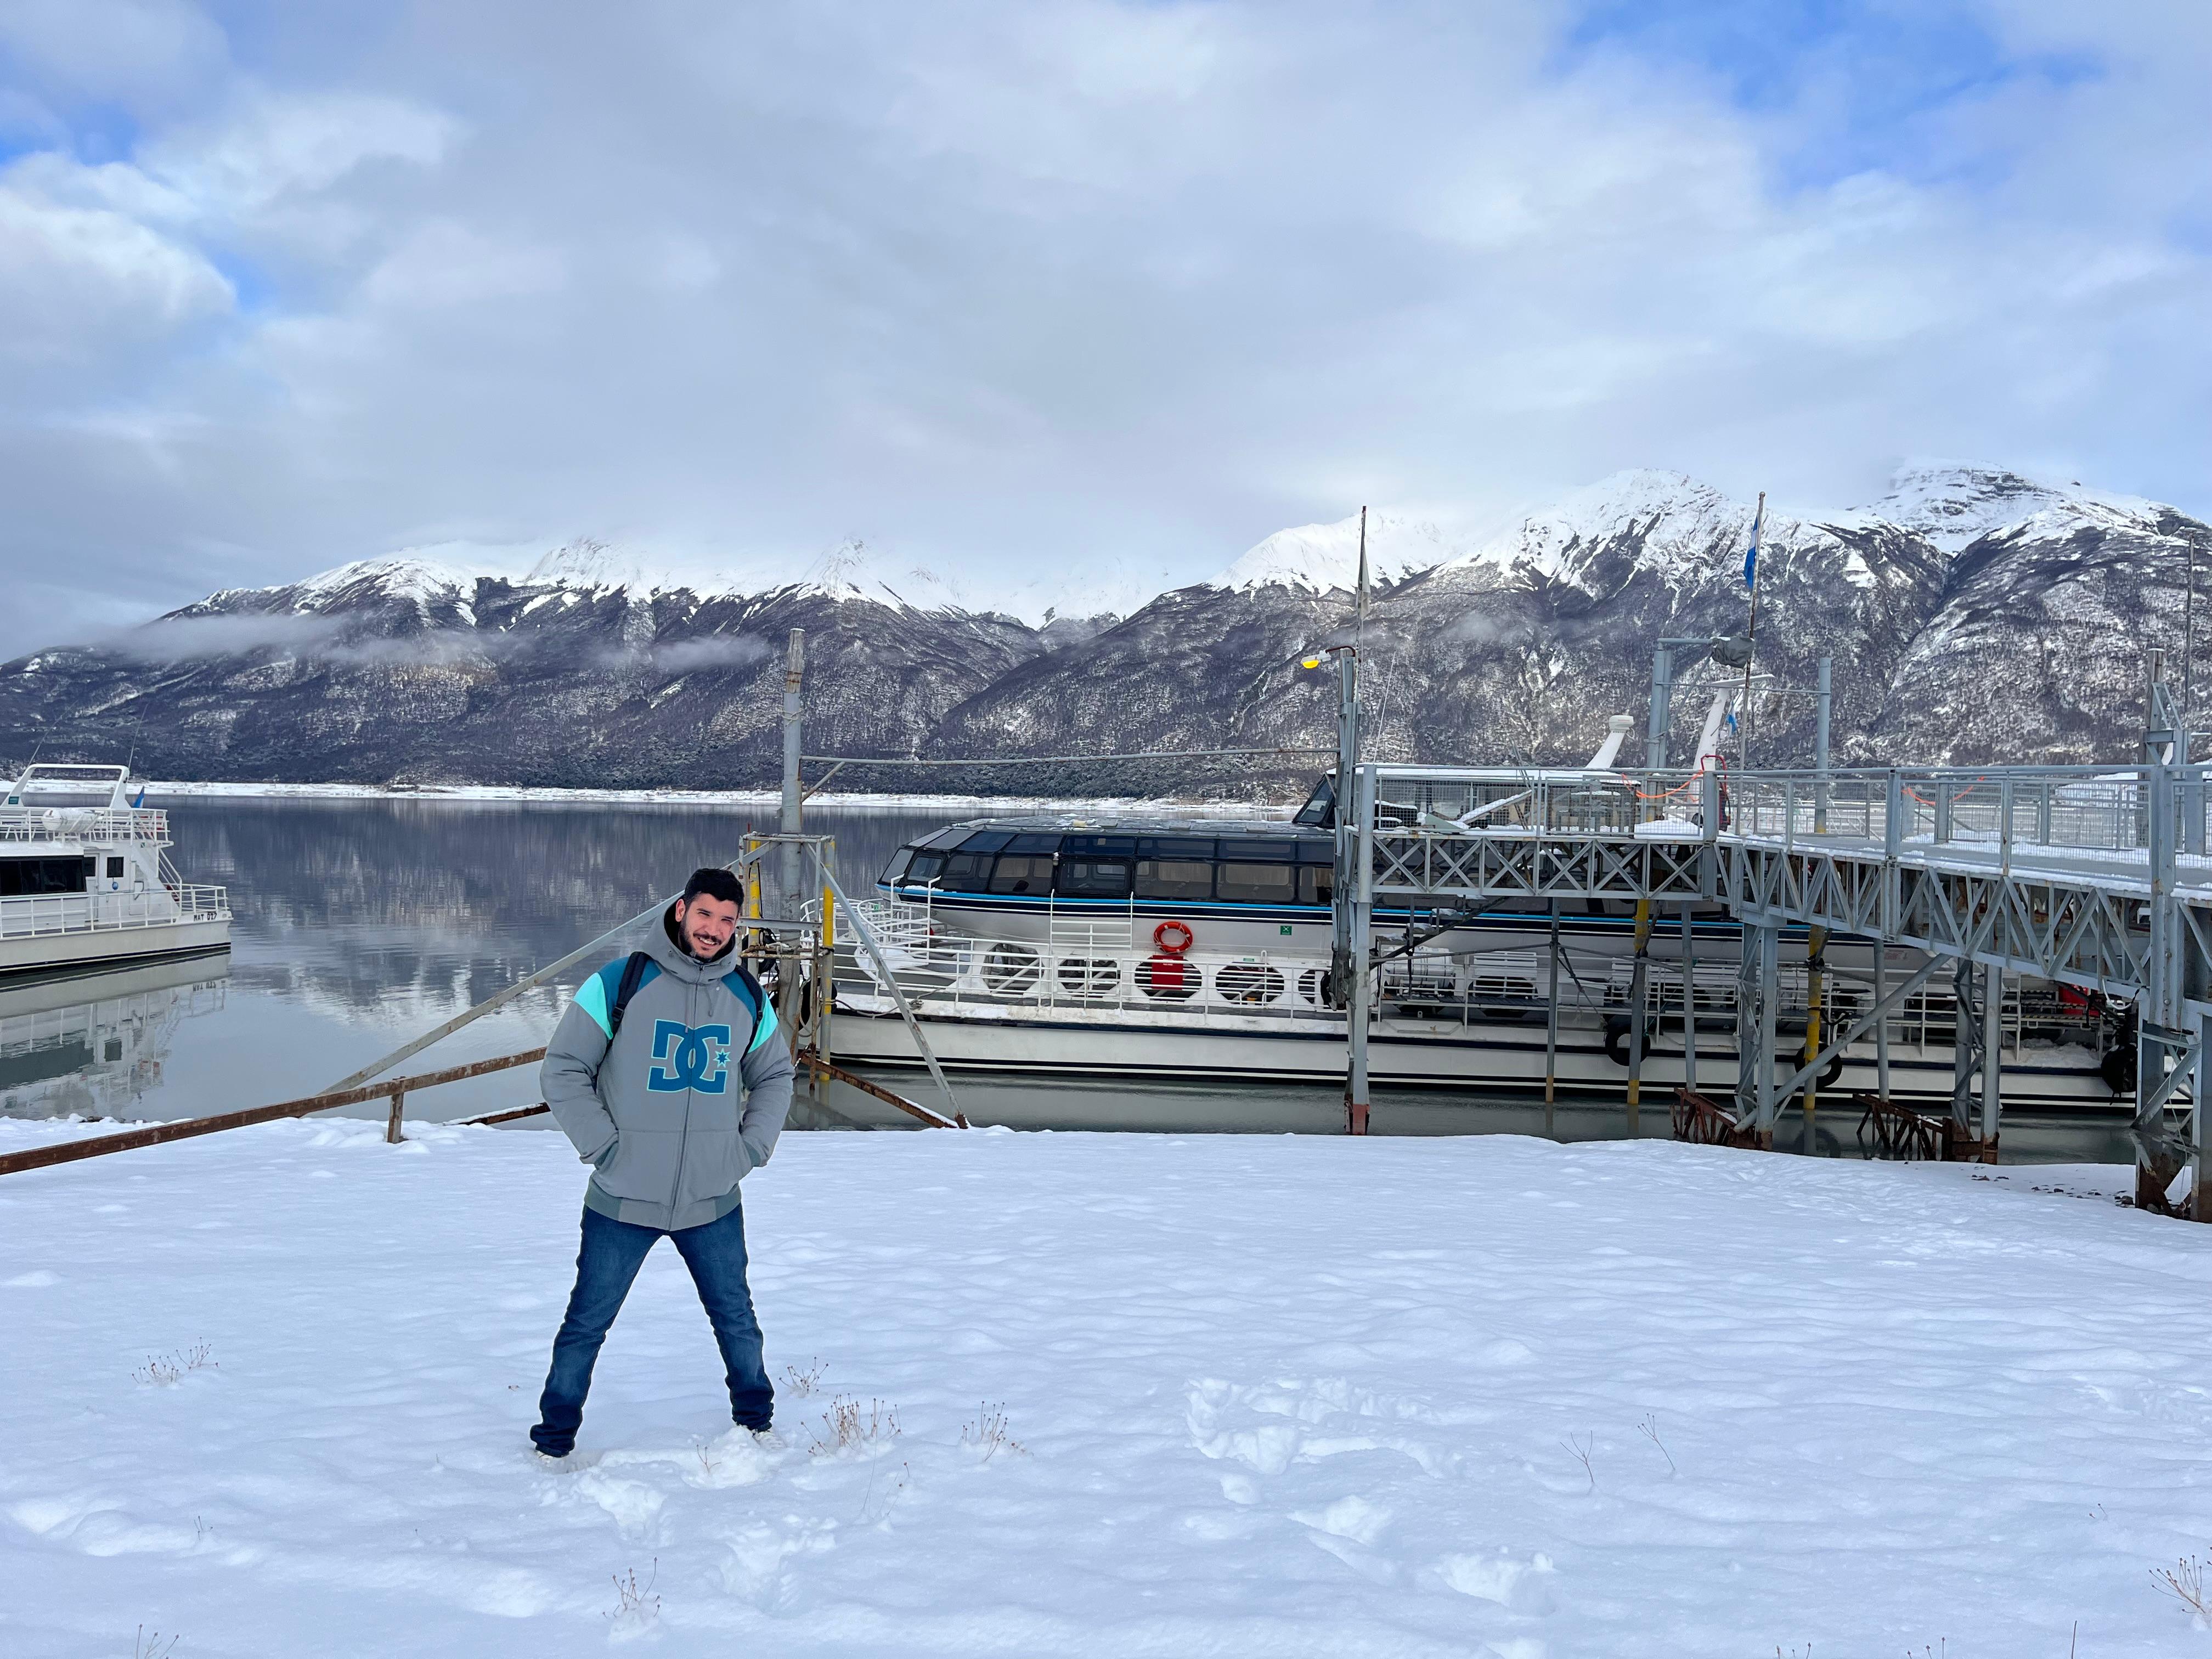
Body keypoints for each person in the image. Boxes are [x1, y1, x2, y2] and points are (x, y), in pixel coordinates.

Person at [531, 866, 795, 1458]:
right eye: (705, 915)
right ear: (681, 910)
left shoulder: (747, 996)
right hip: (623, 1197)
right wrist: (603, 1147)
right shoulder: (620, 982)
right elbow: (564, 1070)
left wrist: (749, 1149)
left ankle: (756, 1426)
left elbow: (775, 1074)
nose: (715, 930)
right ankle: (554, 1440)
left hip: (712, 1198)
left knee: (737, 1320)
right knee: (586, 1324)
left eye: (728, 921)